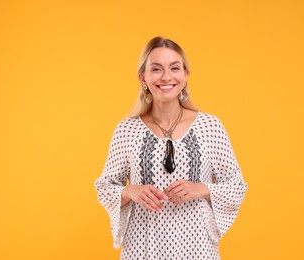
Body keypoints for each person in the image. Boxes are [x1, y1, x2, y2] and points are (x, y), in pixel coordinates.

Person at [95, 36, 248, 260]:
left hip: (197, 248)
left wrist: (202, 189)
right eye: (156, 69)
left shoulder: (210, 126)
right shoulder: (127, 130)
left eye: (174, 68)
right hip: (143, 245)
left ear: (185, 75)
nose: (166, 77)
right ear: (143, 77)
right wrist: (131, 191)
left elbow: (237, 186)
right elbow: (104, 187)